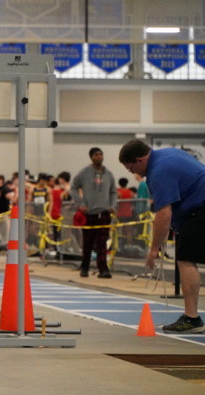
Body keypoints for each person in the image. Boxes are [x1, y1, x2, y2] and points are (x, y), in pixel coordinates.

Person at [119, 139, 205, 333]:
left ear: (140, 160)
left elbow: (164, 214)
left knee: (186, 259)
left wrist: (153, 249)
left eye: (131, 168)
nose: (132, 173)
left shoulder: (158, 172)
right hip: (197, 207)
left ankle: (192, 319)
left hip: (199, 210)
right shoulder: (168, 154)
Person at [70, 147, 117, 278]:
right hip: (89, 213)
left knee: (102, 242)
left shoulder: (108, 174)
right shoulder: (84, 173)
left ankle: (103, 269)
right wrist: (80, 204)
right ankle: (85, 267)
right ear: (91, 157)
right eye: (96, 155)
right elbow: (73, 188)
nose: (99, 156)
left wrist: (112, 205)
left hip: (104, 213)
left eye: (101, 154)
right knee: (88, 243)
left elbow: (113, 191)